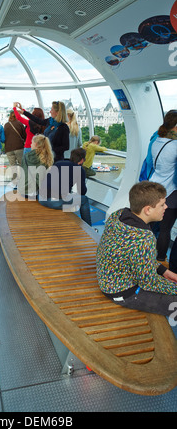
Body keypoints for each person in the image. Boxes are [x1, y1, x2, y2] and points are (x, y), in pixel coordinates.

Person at [96, 181, 177, 316]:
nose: (166, 207)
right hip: (123, 292)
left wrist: (163, 271)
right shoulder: (144, 238)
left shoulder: (119, 215)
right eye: (162, 204)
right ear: (147, 210)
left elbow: (136, 256)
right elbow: (150, 283)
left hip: (107, 279)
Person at [149, 110, 177, 262]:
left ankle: (146, 255)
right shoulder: (174, 146)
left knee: (151, 225)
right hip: (171, 192)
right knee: (166, 229)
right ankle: (160, 259)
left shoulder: (156, 141)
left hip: (155, 188)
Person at [38, 148, 91, 225]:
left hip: (41, 198)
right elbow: (82, 192)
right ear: (82, 160)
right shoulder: (79, 169)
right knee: (84, 200)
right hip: (53, 202)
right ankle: (89, 227)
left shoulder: (58, 163)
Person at [4, 109, 26, 186]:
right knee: (21, 164)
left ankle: (15, 182)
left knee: (13, 166)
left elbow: (4, 137)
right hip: (19, 147)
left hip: (9, 148)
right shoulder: (20, 124)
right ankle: (22, 181)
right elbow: (24, 136)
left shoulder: (6, 125)